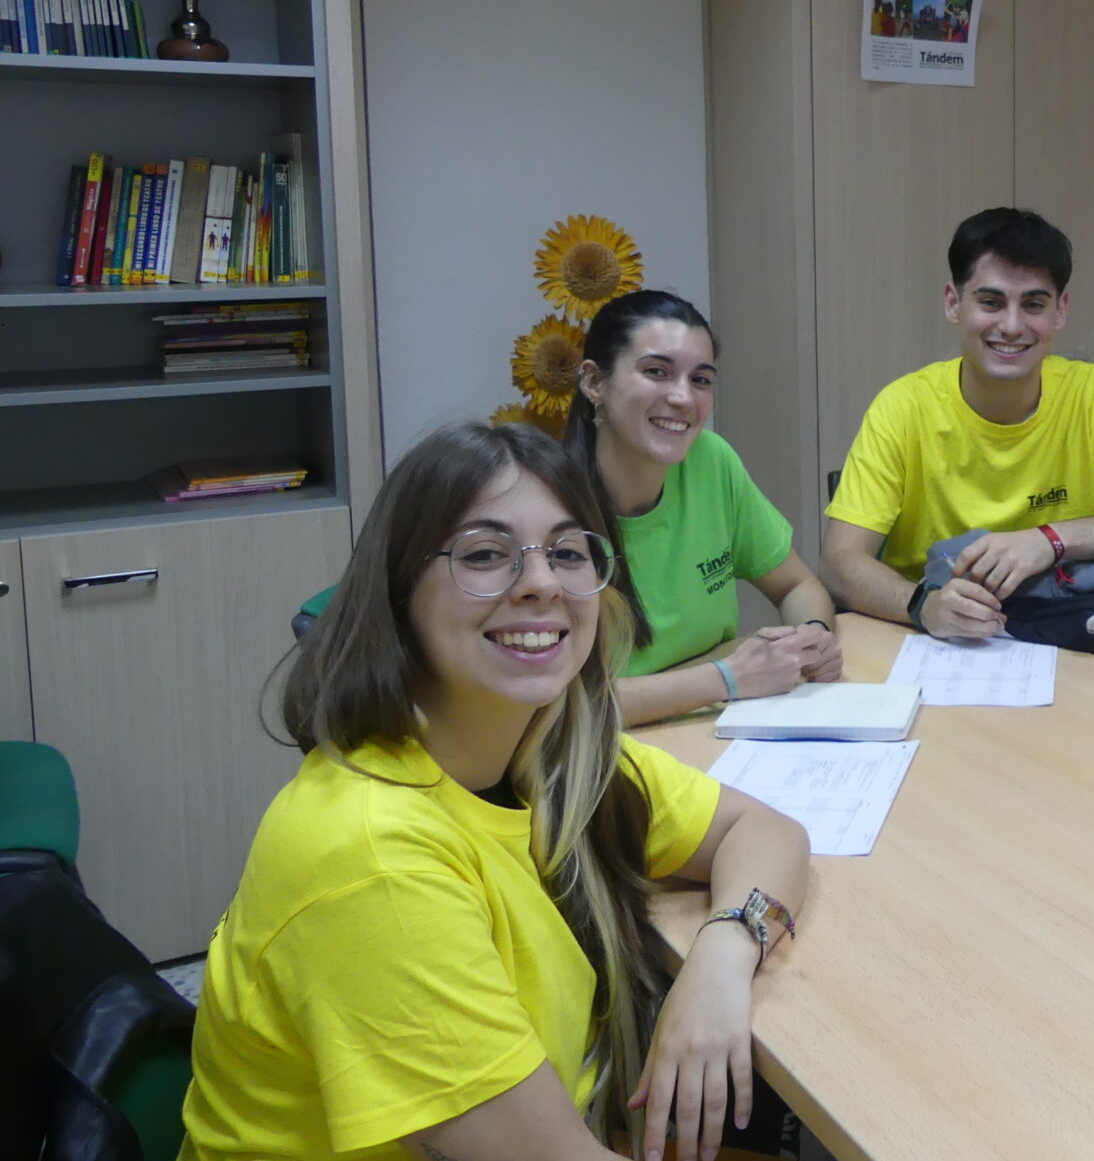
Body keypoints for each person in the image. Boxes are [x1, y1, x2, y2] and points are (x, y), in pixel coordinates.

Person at [180, 421, 811, 1161]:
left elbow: (766, 831)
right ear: (398, 592)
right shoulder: (372, 857)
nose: (541, 582)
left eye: (569, 552)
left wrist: (724, 954)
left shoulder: (552, 750)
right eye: (486, 555)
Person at [819, 207, 1094, 640]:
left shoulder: (1092, 394)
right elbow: (839, 562)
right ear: (953, 303)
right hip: (929, 638)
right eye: (991, 302)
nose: (1012, 326)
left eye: (1034, 304)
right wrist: (922, 605)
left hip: (1060, 632)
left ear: (1060, 311)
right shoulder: (902, 406)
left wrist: (1048, 540)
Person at [566, 291, 841, 728]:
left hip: (709, 729)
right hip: (607, 754)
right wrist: (725, 679)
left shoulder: (710, 460)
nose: (682, 398)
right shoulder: (550, 505)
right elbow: (559, 707)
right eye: (657, 372)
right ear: (594, 382)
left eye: (701, 379)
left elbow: (797, 585)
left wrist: (813, 637)